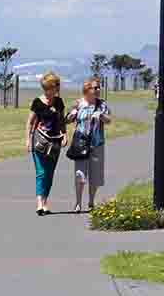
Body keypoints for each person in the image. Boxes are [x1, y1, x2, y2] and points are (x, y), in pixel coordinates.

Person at [26, 71, 67, 215]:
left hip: (55, 142)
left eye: (56, 86)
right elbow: (30, 123)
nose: (56, 89)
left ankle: (45, 201)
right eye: (53, 86)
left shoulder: (59, 102)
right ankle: (39, 203)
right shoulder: (37, 102)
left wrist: (65, 134)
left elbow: (61, 120)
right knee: (41, 172)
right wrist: (27, 140)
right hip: (39, 141)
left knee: (50, 173)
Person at [69, 77, 112, 213]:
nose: (98, 90)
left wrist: (101, 116)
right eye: (95, 88)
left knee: (95, 176)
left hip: (96, 144)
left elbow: (109, 120)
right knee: (79, 175)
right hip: (81, 144)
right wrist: (72, 115)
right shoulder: (78, 103)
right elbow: (67, 119)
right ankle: (78, 202)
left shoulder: (102, 104)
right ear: (87, 90)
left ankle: (91, 201)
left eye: (99, 87)